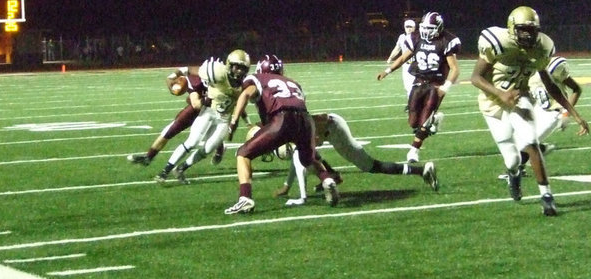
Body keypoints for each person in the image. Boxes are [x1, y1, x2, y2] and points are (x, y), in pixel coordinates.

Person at [470, 6, 589, 216]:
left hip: (520, 97)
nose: (528, 34)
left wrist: (574, 113)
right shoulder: (497, 42)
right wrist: (499, 93)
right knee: (513, 160)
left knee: (530, 142)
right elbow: (476, 78)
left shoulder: (542, 47)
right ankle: (513, 173)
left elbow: (551, 84)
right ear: (512, 28)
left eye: (531, 30)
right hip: (492, 102)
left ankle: (547, 196)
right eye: (523, 29)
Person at [225, 54, 339, 214]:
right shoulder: (293, 83)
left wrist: (234, 121)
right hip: (305, 120)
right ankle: (327, 179)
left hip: (282, 119)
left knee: (243, 153)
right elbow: (297, 106)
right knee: (308, 159)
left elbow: (245, 94)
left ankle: (245, 198)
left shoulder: (256, 78)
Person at [272, 112, 439, 206]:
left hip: (334, 128)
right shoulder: (288, 129)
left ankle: (422, 170)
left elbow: (299, 161)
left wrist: (302, 198)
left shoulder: (290, 130)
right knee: (308, 155)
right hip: (329, 129)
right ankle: (333, 176)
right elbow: (299, 159)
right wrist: (287, 186)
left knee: (370, 166)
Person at [153, 50, 251, 183]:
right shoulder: (217, 71)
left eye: (243, 68)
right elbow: (191, 70)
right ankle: (165, 171)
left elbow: (241, 104)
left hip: (223, 120)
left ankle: (181, 169)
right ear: (229, 64)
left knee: (208, 149)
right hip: (208, 112)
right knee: (192, 142)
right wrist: (174, 75)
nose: (239, 71)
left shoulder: (245, 84)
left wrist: (245, 122)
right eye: (237, 67)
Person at [377, 11, 461, 163]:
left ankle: (413, 150)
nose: (426, 31)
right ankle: (435, 119)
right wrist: (387, 71)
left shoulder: (447, 40)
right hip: (419, 79)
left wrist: (445, 87)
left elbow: (454, 69)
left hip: (436, 82)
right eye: (425, 27)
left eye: (430, 28)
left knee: (424, 119)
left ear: (439, 28)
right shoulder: (416, 38)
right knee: (413, 122)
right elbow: (403, 57)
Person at [496, 55, 583, 179]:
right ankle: (539, 151)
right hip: (537, 108)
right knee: (515, 139)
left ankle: (516, 171)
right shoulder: (525, 69)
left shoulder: (554, 66)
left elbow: (576, 89)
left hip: (554, 112)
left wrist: (566, 113)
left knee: (526, 142)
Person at [126, 65, 208, 166]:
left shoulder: (219, 77)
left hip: (211, 110)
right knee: (170, 129)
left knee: (212, 135)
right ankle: (149, 157)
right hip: (196, 108)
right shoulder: (194, 76)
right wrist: (171, 85)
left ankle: (219, 148)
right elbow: (176, 74)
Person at [386, 19, 417, 111]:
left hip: (416, 64)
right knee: (407, 86)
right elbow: (397, 48)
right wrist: (390, 58)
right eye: (407, 27)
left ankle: (413, 104)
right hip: (406, 64)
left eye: (410, 27)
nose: (408, 29)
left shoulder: (418, 37)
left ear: (414, 28)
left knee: (415, 85)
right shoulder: (402, 37)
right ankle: (411, 103)